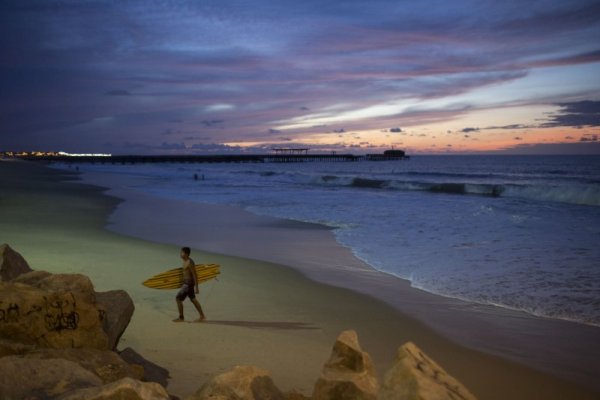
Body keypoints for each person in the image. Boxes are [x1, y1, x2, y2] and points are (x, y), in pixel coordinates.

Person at [173, 247, 206, 322]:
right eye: (180, 252)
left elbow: (195, 275)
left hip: (188, 284)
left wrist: (197, 288)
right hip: (187, 283)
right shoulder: (184, 261)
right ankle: (202, 316)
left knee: (178, 298)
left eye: (182, 252)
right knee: (193, 299)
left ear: (186, 254)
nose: (180, 254)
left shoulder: (190, 262)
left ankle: (181, 318)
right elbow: (186, 273)